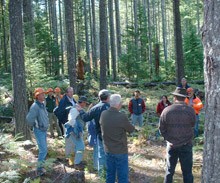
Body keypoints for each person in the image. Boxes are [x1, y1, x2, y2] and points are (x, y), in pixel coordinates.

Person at [159, 87, 196, 183]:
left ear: (174, 97)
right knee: (187, 172)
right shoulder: (190, 110)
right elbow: (193, 125)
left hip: (172, 145)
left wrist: (168, 139)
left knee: (169, 171)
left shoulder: (166, 110)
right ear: (185, 98)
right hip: (186, 145)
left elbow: (161, 129)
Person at [100, 94, 135, 183]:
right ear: (119, 104)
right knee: (122, 176)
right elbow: (131, 129)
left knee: (110, 175)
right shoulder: (121, 116)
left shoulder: (103, 114)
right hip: (120, 150)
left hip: (108, 149)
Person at [77, 89, 110, 177]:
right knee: (110, 155)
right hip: (111, 136)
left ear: (99, 97)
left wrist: (80, 110)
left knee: (101, 155)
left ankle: (102, 176)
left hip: (100, 135)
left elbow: (85, 118)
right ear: (108, 97)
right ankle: (110, 175)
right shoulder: (112, 107)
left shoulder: (95, 108)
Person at [26, 88, 49, 176]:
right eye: (42, 94)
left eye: (44, 94)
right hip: (39, 130)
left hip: (43, 130)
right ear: (37, 96)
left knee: (44, 150)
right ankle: (39, 169)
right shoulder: (35, 106)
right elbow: (29, 119)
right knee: (43, 150)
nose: (44, 95)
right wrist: (36, 126)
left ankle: (41, 167)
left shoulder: (42, 104)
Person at [65, 96, 88, 167]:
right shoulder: (75, 109)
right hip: (74, 132)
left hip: (76, 131)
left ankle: (77, 161)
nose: (85, 105)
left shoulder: (78, 108)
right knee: (81, 147)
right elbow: (71, 120)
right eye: (85, 103)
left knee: (77, 147)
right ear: (83, 103)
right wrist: (75, 130)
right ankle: (77, 163)